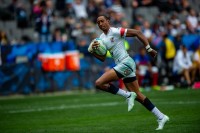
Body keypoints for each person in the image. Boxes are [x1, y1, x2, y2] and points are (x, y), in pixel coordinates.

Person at [88, 14, 169, 130]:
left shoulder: (116, 31)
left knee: (99, 83)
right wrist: (93, 51)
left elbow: (138, 33)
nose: (100, 24)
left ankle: (127, 95)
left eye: (102, 21)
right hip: (123, 65)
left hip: (126, 62)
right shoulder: (101, 38)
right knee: (139, 96)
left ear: (108, 21)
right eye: (98, 22)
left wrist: (149, 49)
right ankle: (161, 116)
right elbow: (103, 58)